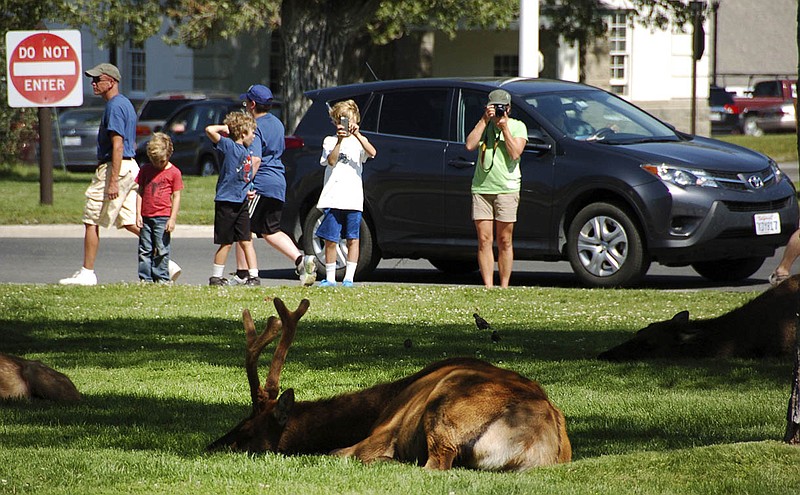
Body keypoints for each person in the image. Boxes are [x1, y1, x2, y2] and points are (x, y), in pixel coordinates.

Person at [59, 63, 181, 285]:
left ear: (111, 82)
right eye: (93, 79)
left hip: (115, 167)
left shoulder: (114, 106)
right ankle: (164, 262)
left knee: (91, 218)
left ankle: (88, 273)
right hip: (130, 166)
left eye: (98, 79)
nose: (93, 83)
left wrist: (112, 180)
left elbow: (117, 144)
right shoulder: (125, 103)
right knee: (129, 220)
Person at [233, 84, 316, 286]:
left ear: (252, 104)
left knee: (242, 226)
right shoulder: (277, 123)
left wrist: (245, 184)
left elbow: (255, 160)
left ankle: (243, 273)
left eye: (246, 103)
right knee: (271, 230)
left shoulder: (254, 127)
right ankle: (301, 260)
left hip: (260, 182)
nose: (245, 106)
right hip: (278, 182)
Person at [465, 89, 528, 288]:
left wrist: (504, 129)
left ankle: (504, 285)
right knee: (484, 239)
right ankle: (488, 286)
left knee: (504, 239)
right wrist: (484, 120)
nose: (498, 110)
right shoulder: (484, 125)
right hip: (482, 188)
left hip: (506, 188)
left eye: (502, 107)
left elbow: (515, 153)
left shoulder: (518, 127)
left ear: (508, 108)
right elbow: (469, 145)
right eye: (494, 107)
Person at [316, 100, 377, 287]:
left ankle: (349, 277)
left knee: (353, 238)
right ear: (335, 121)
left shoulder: (360, 141)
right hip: (333, 197)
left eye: (348, 120)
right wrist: (340, 141)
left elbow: (372, 152)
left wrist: (357, 134)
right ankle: (331, 277)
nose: (344, 124)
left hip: (353, 199)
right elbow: (331, 161)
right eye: (340, 120)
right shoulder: (330, 140)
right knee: (331, 239)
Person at [205, 111, 260, 286]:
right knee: (226, 242)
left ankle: (253, 276)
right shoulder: (229, 146)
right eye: (252, 133)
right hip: (226, 202)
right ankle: (216, 276)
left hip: (242, 201)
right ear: (243, 133)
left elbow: (244, 177)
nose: (254, 136)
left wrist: (248, 191)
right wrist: (226, 128)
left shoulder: (247, 152)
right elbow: (210, 130)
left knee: (246, 240)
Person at [135, 133, 183, 283]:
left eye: (161, 161)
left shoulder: (174, 172)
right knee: (145, 249)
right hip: (146, 216)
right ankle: (145, 278)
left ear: (169, 154)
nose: (157, 165)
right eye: (154, 161)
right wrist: (138, 214)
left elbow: (176, 196)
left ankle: (161, 277)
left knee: (162, 249)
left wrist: (172, 218)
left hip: (163, 216)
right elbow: (140, 192)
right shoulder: (145, 170)